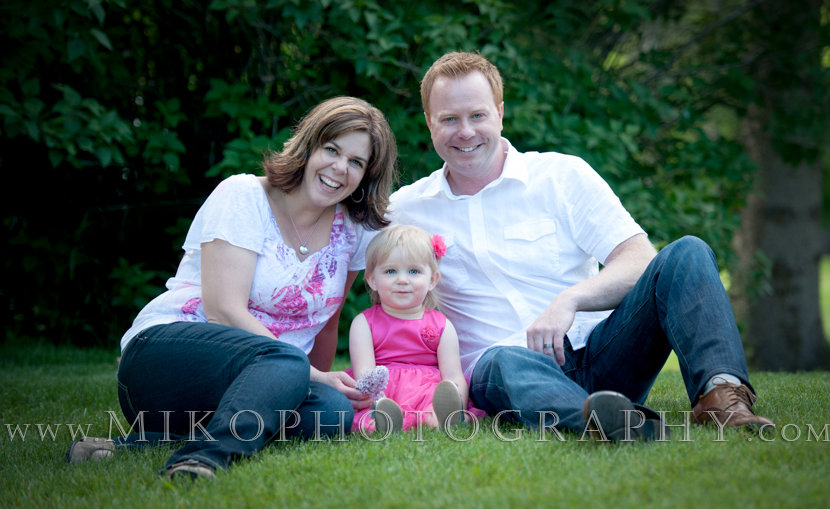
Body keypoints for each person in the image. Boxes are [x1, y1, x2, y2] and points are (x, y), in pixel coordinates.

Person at [389, 51, 774, 440]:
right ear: (429, 123)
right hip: (507, 373)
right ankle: (614, 422)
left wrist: (569, 300)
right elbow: (341, 251)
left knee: (687, 253)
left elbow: (639, 259)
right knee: (503, 359)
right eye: (449, 120)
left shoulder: (561, 176)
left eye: (477, 116)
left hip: (603, 351)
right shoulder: (407, 208)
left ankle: (722, 398)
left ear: (500, 112)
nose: (466, 132)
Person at [66, 96, 398, 478]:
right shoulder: (243, 196)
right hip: (168, 357)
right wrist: (311, 375)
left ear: (367, 174)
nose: (340, 168)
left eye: (356, 162)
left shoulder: (352, 231)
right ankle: (204, 458)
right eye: (332, 149)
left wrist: (312, 383)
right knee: (290, 360)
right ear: (309, 145)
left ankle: (133, 445)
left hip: (264, 377)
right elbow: (223, 310)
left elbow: (328, 319)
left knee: (331, 412)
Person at [345, 225, 485, 434]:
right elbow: (365, 376)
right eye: (391, 271)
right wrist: (378, 399)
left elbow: (454, 376)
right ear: (373, 280)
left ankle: (447, 415)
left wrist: (457, 401)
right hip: (383, 390)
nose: (402, 279)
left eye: (414, 271)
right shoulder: (364, 323)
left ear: (432, 280)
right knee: (367, 419)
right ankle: (384, 416)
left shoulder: (442, 325)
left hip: (427, 392)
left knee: (434, 415)